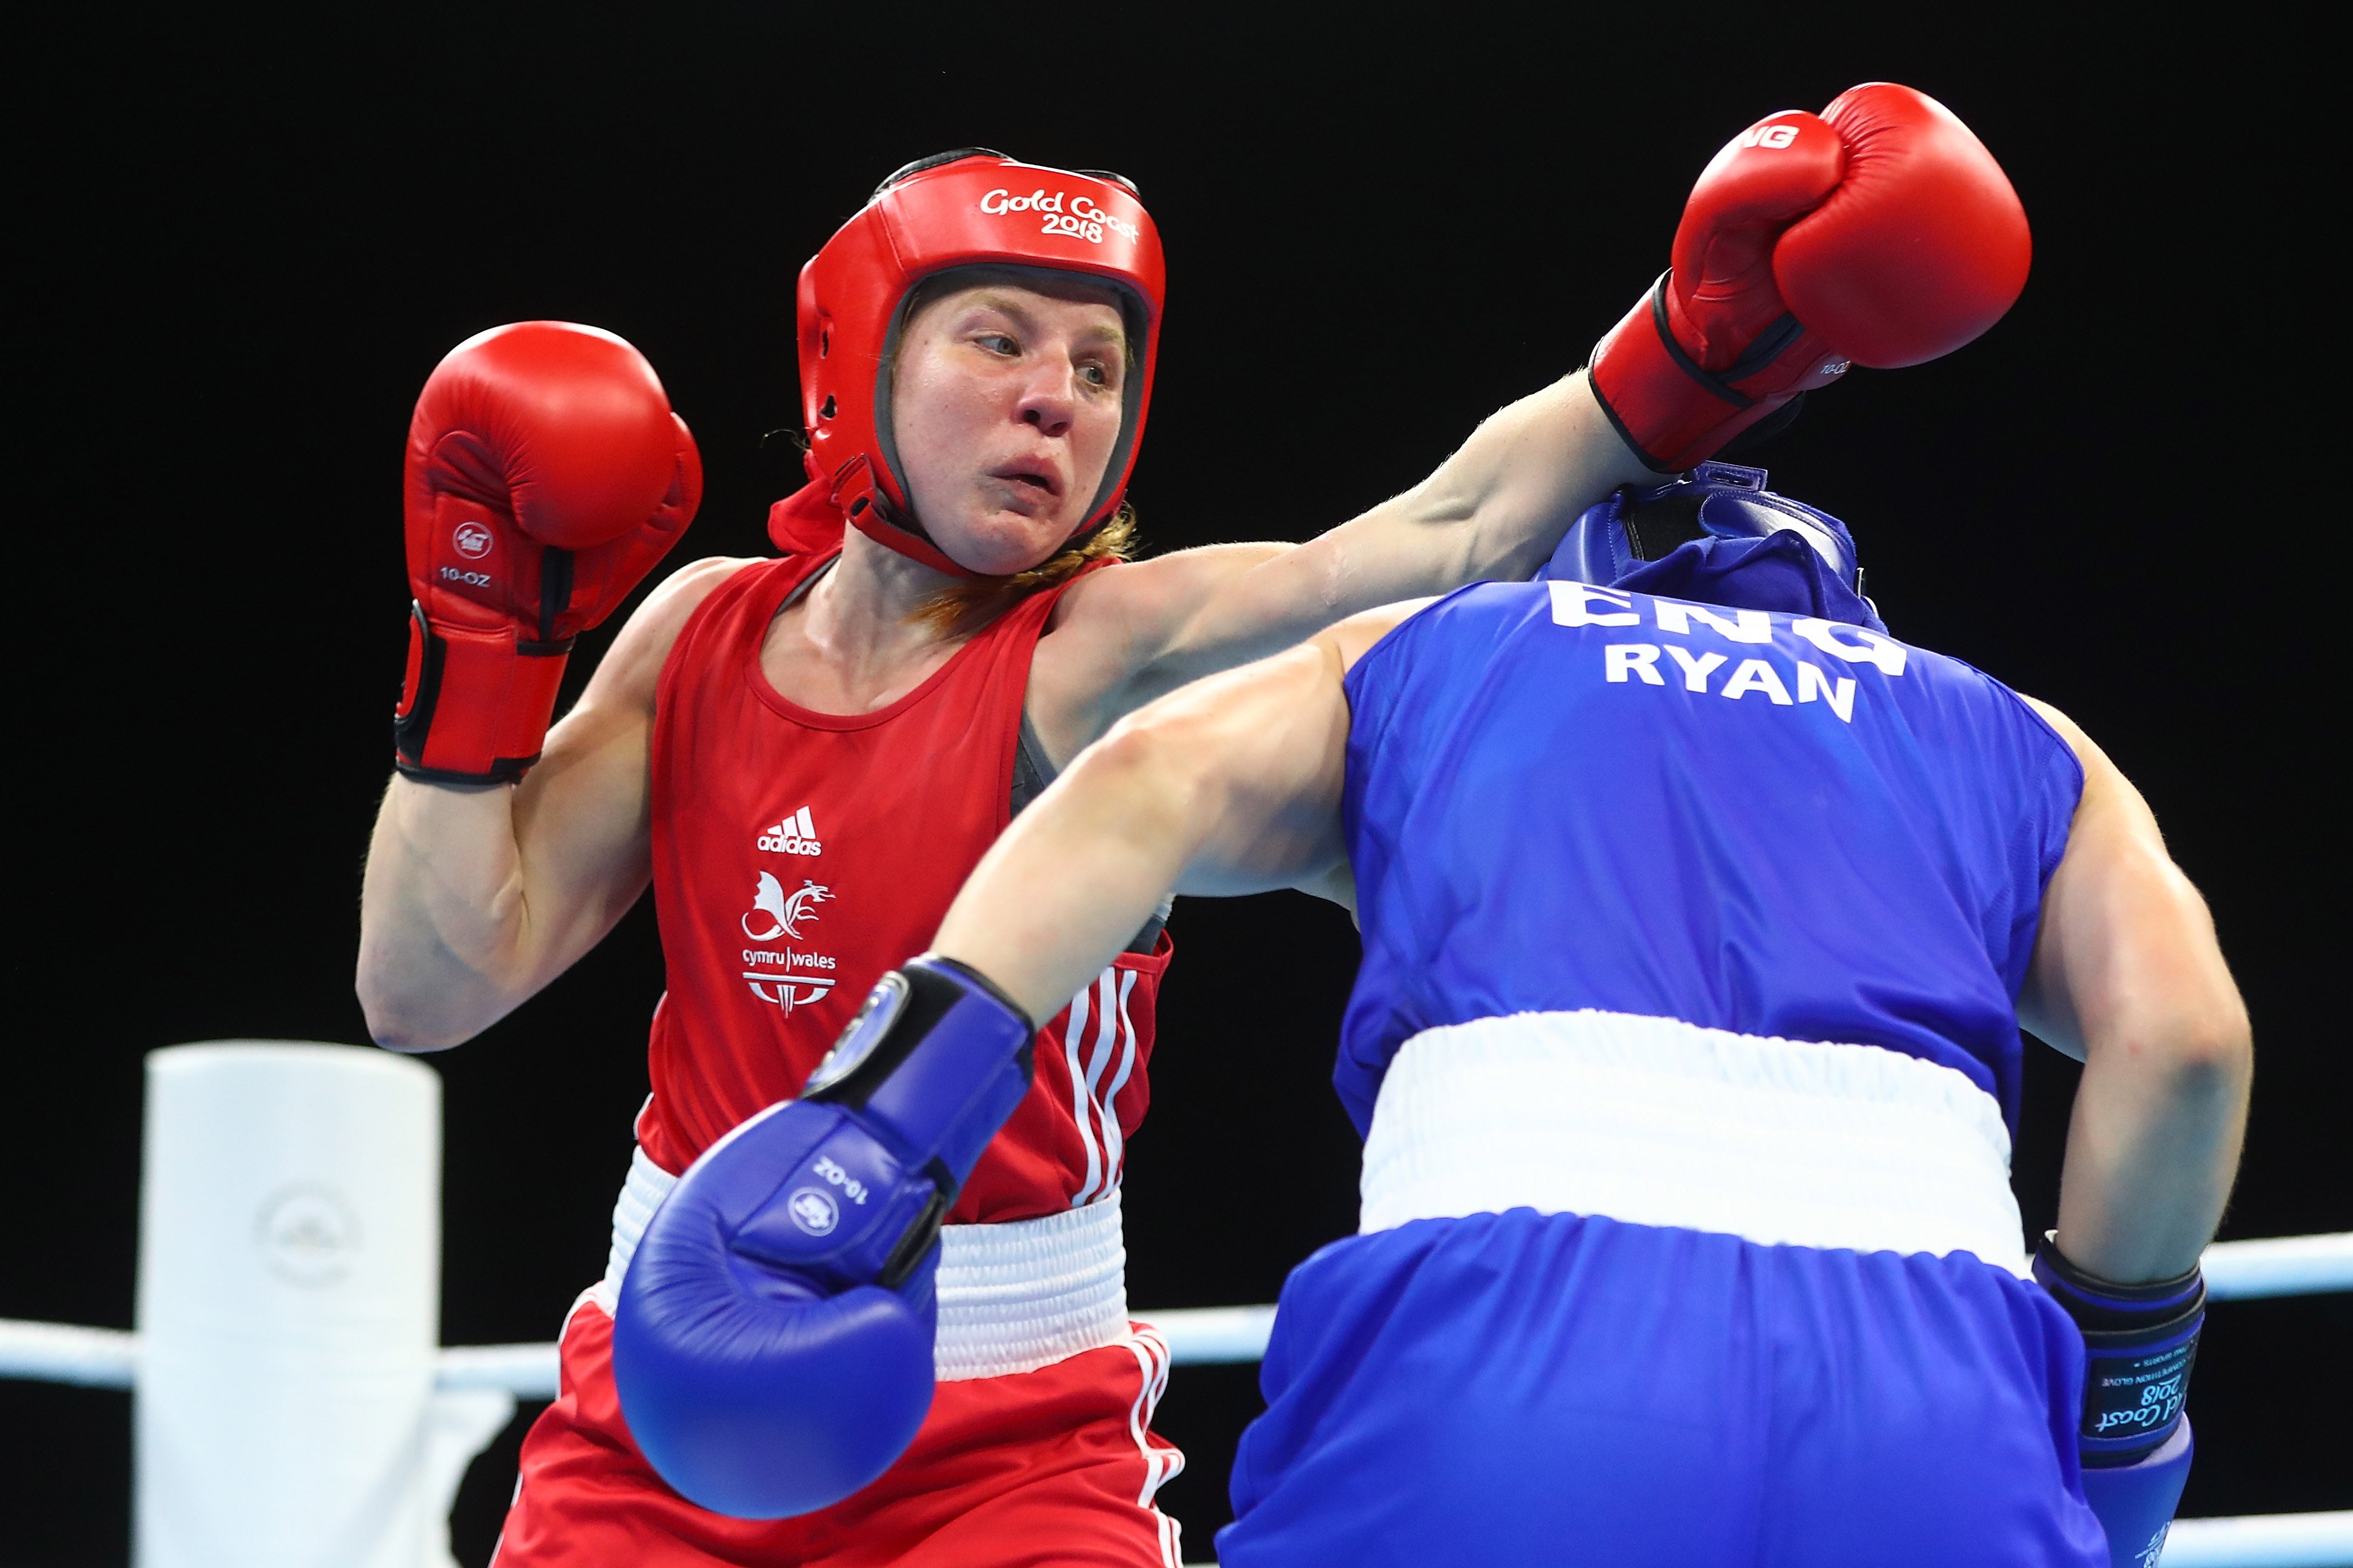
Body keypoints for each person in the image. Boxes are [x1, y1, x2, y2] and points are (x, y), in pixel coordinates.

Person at [359, 85, 2022, 1565]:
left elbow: (1450, 527)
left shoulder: (1096, 652)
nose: (1053, 402)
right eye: (994, 339)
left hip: (1007, 1447)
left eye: (1097, 366)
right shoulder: (698, 632)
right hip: (656, 1396)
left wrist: (1698, 343)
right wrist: (482, 658)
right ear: (850, 363)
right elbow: (425, 990)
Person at [856, 461, 2253, 1566]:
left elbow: (1138, 781)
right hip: (1939, 1396)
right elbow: (2187, 1046)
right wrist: (2120, 1416)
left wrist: (876, 1127)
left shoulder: (1442, 648)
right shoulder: (2015, 732)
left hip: (1509, 1349)